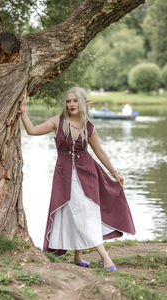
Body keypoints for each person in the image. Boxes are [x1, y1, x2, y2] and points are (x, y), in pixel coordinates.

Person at [19, 86, 135, 271]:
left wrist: (115, 173)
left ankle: (93, 257)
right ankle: (91, 257)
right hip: (64, 176)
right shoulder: (57, 121)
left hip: (87, 175)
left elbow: (100, 152)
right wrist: (22, 110)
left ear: (82, 102)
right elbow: (32, 130)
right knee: (74, 212)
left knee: (85, 213)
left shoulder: (89, 127)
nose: (71, 104)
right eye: (68, 101)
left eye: (75, 100)